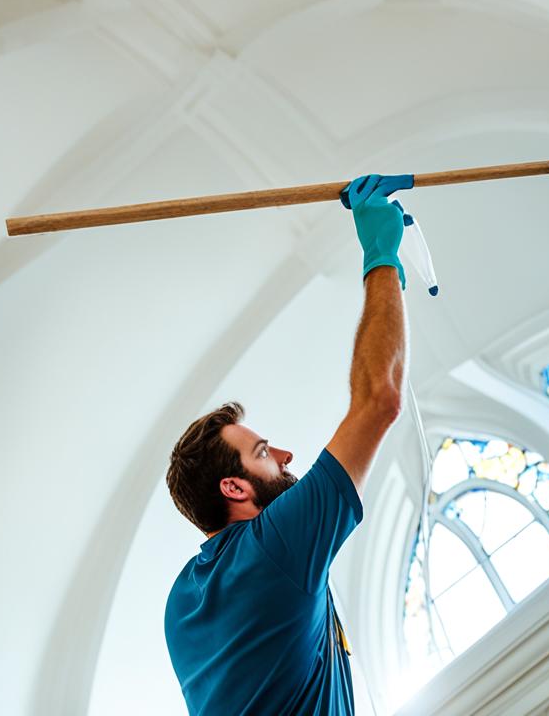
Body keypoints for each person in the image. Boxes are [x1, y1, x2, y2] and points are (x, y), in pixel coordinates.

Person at [163, 173, 414, 715]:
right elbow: (380, 401)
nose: (285, 458)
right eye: (263, 453)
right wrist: (381, 256)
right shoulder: (274, 551)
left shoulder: (182, 602)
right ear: (234, 487)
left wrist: (388, 297)